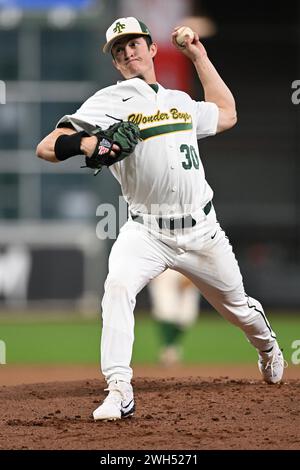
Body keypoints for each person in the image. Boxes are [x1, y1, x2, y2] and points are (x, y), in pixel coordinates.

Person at [36, 16, 286, 421]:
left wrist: (198, 55)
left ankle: (268, 348)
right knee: (117, 285)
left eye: (134, 43)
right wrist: (89, 143)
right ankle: (119, 389)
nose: (127, 51)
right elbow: (46, 147)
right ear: (116, 63)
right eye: (119, 49)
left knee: (237, 308)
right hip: (146, 230)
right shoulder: (107, 101)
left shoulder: (180, 102)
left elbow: (227, 113)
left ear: (152, 49)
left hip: (202, 231)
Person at [148, 269, 200, 366]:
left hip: (187, 266)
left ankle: (169, 348)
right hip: (165, 270)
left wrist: (190, 275)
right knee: (165, 312)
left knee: (186, 317)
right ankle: (169, 351)